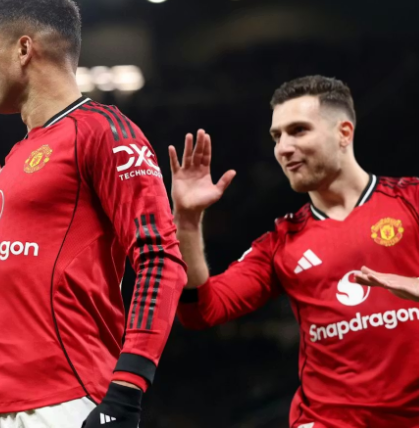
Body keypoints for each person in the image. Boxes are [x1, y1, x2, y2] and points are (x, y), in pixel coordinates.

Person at [0, 0, 187, 428]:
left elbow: (160, 260)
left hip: (61, 399)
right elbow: (7, 279)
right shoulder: (14, 157)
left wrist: (128, 388)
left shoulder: (103, 131)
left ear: (23, 49)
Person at [171, 75, 419, 428]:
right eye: (277, 136)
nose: (283, 148)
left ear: (344, 133)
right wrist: (187, 222)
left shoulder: (411, 201)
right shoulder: (281, 242)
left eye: (298, 130)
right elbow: (200, 311)